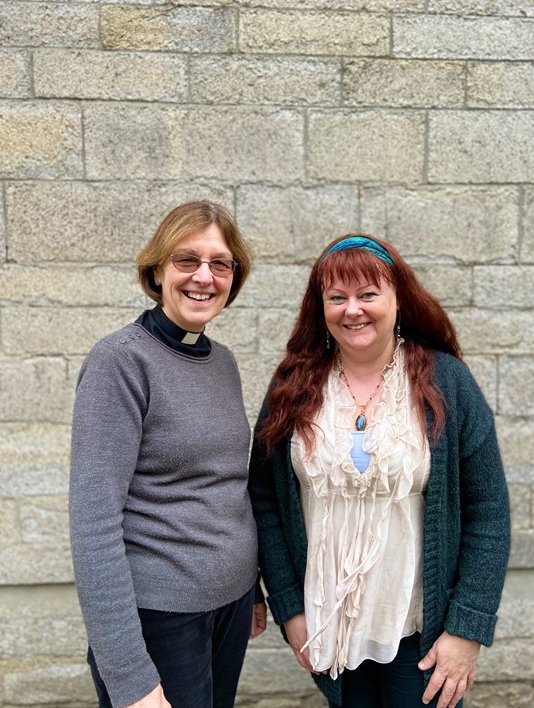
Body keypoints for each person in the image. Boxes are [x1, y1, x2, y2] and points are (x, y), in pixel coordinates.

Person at [248, 235, 510, 708]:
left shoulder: (447, 382)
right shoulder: (293, 385)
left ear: (398, 300)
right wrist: (290, 609)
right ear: (320, 307)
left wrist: (466, 629)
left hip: (421, 632)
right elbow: (263, 500)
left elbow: (488, 510)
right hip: (331, 626)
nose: (353, 310)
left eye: (368, 294)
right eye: (337, 297)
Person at [69, 201, 266, 708]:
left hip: (231, 607)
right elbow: (94, 525)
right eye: (187, 260)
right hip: (160, 619)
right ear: (157, 270)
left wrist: (253, 589)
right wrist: (129, 673)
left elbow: (225, 485)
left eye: (220, 263)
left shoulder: (222, 362)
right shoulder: (120, 362)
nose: (204, 276)